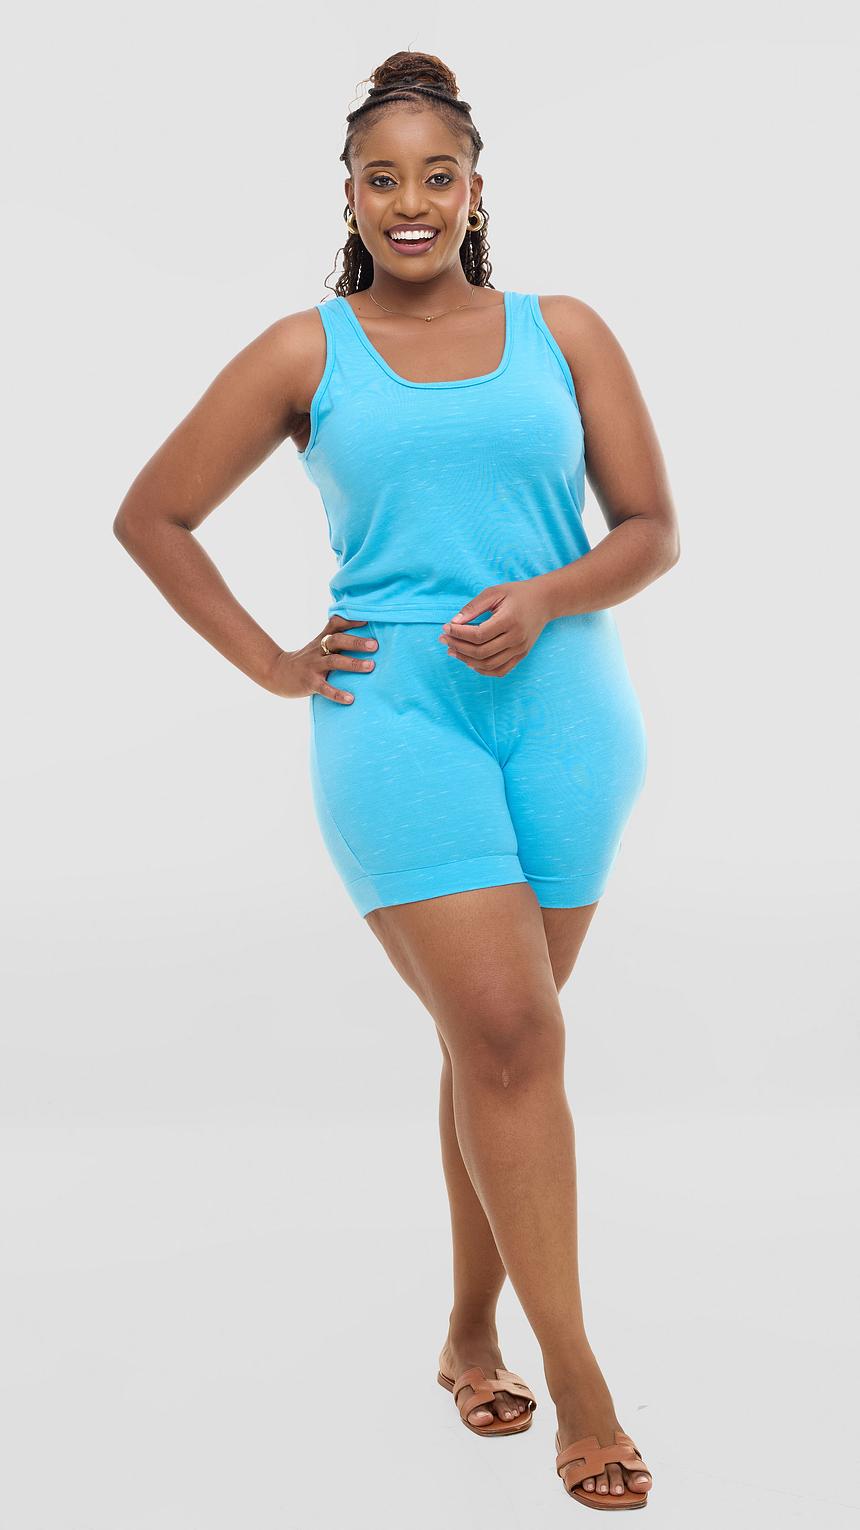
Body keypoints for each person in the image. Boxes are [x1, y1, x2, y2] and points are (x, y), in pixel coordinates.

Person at [114, 48, 679, 1512]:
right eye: (383, 178)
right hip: (397, 719)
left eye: (439, 175)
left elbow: (650, 529)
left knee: (501, 1050)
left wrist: (545, 597)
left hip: (566, 710)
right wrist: (273, 662)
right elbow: (155, 514)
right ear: (351, 194)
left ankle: (468, 1331)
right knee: (508, 1032)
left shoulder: (565, 330)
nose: (411, 202)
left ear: (478, 188)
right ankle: (583, 1385)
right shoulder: (307, 351)